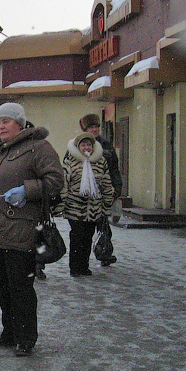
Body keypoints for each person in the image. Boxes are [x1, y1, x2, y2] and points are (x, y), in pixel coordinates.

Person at [0, 103, 63, 357]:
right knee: (3, 286)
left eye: (6, 121)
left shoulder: (37, 147)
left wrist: (26, 191)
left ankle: (26, 337)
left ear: (20, 123)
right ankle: (10, 333)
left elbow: (55, 180)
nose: (1, 126)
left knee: (20, 287)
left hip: (21, 231)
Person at [57, 132, 115, 277]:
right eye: (83, 145)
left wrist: (107, 204)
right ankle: (75, 268)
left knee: (87, 237)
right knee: (77, 237)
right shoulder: (71, 161)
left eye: (89, 145)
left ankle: (84, 266)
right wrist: (60, 205)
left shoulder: (100, 162)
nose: (86, 147)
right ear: (78, 147)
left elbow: (107, 184)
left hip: (94, 208)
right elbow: (64, 184)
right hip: (75, 207)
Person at [79, 113, 122, 266]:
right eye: (91, 127)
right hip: (84, 194)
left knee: (103, 226)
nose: (94, 129)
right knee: (83, 230)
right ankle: (81, 261)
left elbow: (114, 169)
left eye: (96, 126)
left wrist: (117, 188)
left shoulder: (106, 145)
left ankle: (104, 253)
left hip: (103, 192)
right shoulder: (78, 146)